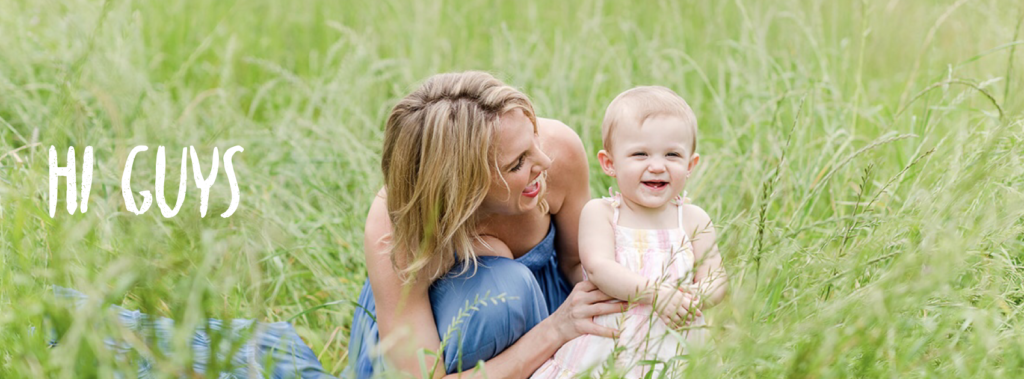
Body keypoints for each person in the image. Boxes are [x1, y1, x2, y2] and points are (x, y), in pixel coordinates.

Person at [344, 71, 625, 378]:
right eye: (517, 163)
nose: (544, 162)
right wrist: (554, 330)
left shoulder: (560, 151)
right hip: (447, 332)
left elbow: (577, 263)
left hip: (550, 307)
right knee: (503, 293)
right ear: (460, 186)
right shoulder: (395, 223)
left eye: (534, 136)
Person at [531, 86, 728, 378]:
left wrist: (696, 296)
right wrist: (657, 294)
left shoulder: (692, 219)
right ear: (609, 163)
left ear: (690, 165)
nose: (657, 166)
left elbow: (717, 278)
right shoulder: (603, 213)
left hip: (676, 341)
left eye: (672, 154)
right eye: (640, 154)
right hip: (612, 343)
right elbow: (598, 268)